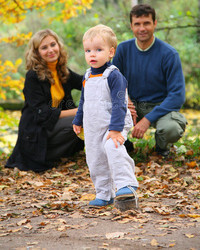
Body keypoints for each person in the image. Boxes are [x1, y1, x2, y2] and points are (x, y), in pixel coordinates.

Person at [73, 24, 138, 207]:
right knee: (95, 158)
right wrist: (78, 120)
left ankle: (127, 184)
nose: (92, 54)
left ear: (111, 52)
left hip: (114, 123)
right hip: (93, 125)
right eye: (88, 50)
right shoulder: (87, 76)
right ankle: (104, 193)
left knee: (112, 147)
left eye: (98, 50)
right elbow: (83, 101)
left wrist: (116, 129)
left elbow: (120, 103)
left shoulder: (114, 76)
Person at [113, 4, 187, 157]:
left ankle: (161, 147)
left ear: (155, 23)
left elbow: (177, 96)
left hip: (160, 107)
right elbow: (113, 81)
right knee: (103, 110)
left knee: (171, 129)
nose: (142, 28)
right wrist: (125, 99)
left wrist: (147, 120)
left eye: (146, 23)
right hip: (132, 105)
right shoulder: (122, 49)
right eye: (137, 24)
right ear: (131, 26)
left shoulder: (169, 54)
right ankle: (125, 145)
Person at [5, 29, 84, 172]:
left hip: (51, 127)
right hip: (36, 131)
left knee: (85, 116)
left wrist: (104, 75)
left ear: (58, 46)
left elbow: (85, 83)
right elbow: (44, 113)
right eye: (44, 47)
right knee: (80, 118)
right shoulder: (32, 77)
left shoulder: (62, 71)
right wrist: (78, 111)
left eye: (53, 44)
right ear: (36, 53)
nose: (50, 50)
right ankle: (45, 156)